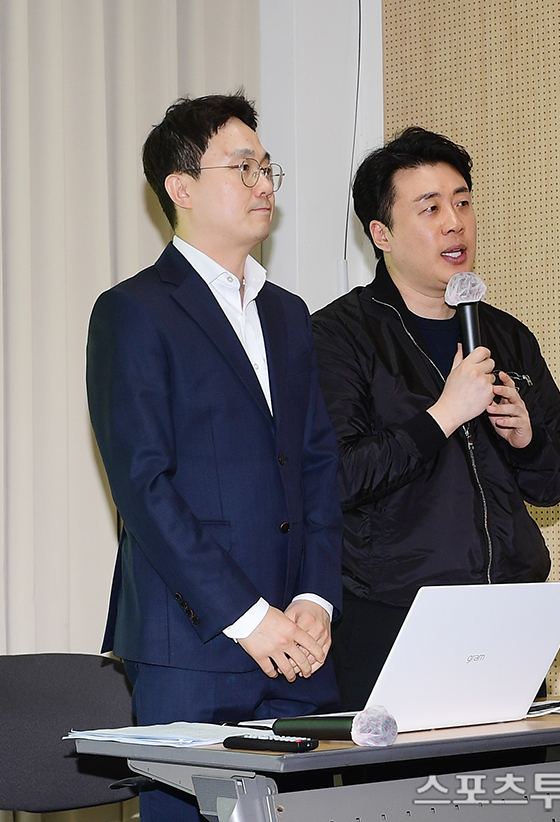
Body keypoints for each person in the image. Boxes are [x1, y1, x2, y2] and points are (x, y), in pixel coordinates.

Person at [86, 93, 342, 821]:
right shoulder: (133, 310)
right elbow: (144, 486)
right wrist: (248, 617)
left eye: (268, 168)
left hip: (300, 644)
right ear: (182, 187)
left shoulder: (288, 313)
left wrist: (316, 598)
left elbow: (317, 464)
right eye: (243, 167)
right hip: (192, 647)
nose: (264, 184)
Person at [312, 127, 560, 711]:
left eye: (462, 202)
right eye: (430, 208)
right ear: (381, 234)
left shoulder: (506, 334)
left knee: (517, 771)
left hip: (509, 612)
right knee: (409, 775)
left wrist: (527, 440)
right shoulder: (337, 336)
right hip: (394, 614)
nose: (455, 223)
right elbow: (337, 477)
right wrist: (442, 416)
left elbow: (557, 480)